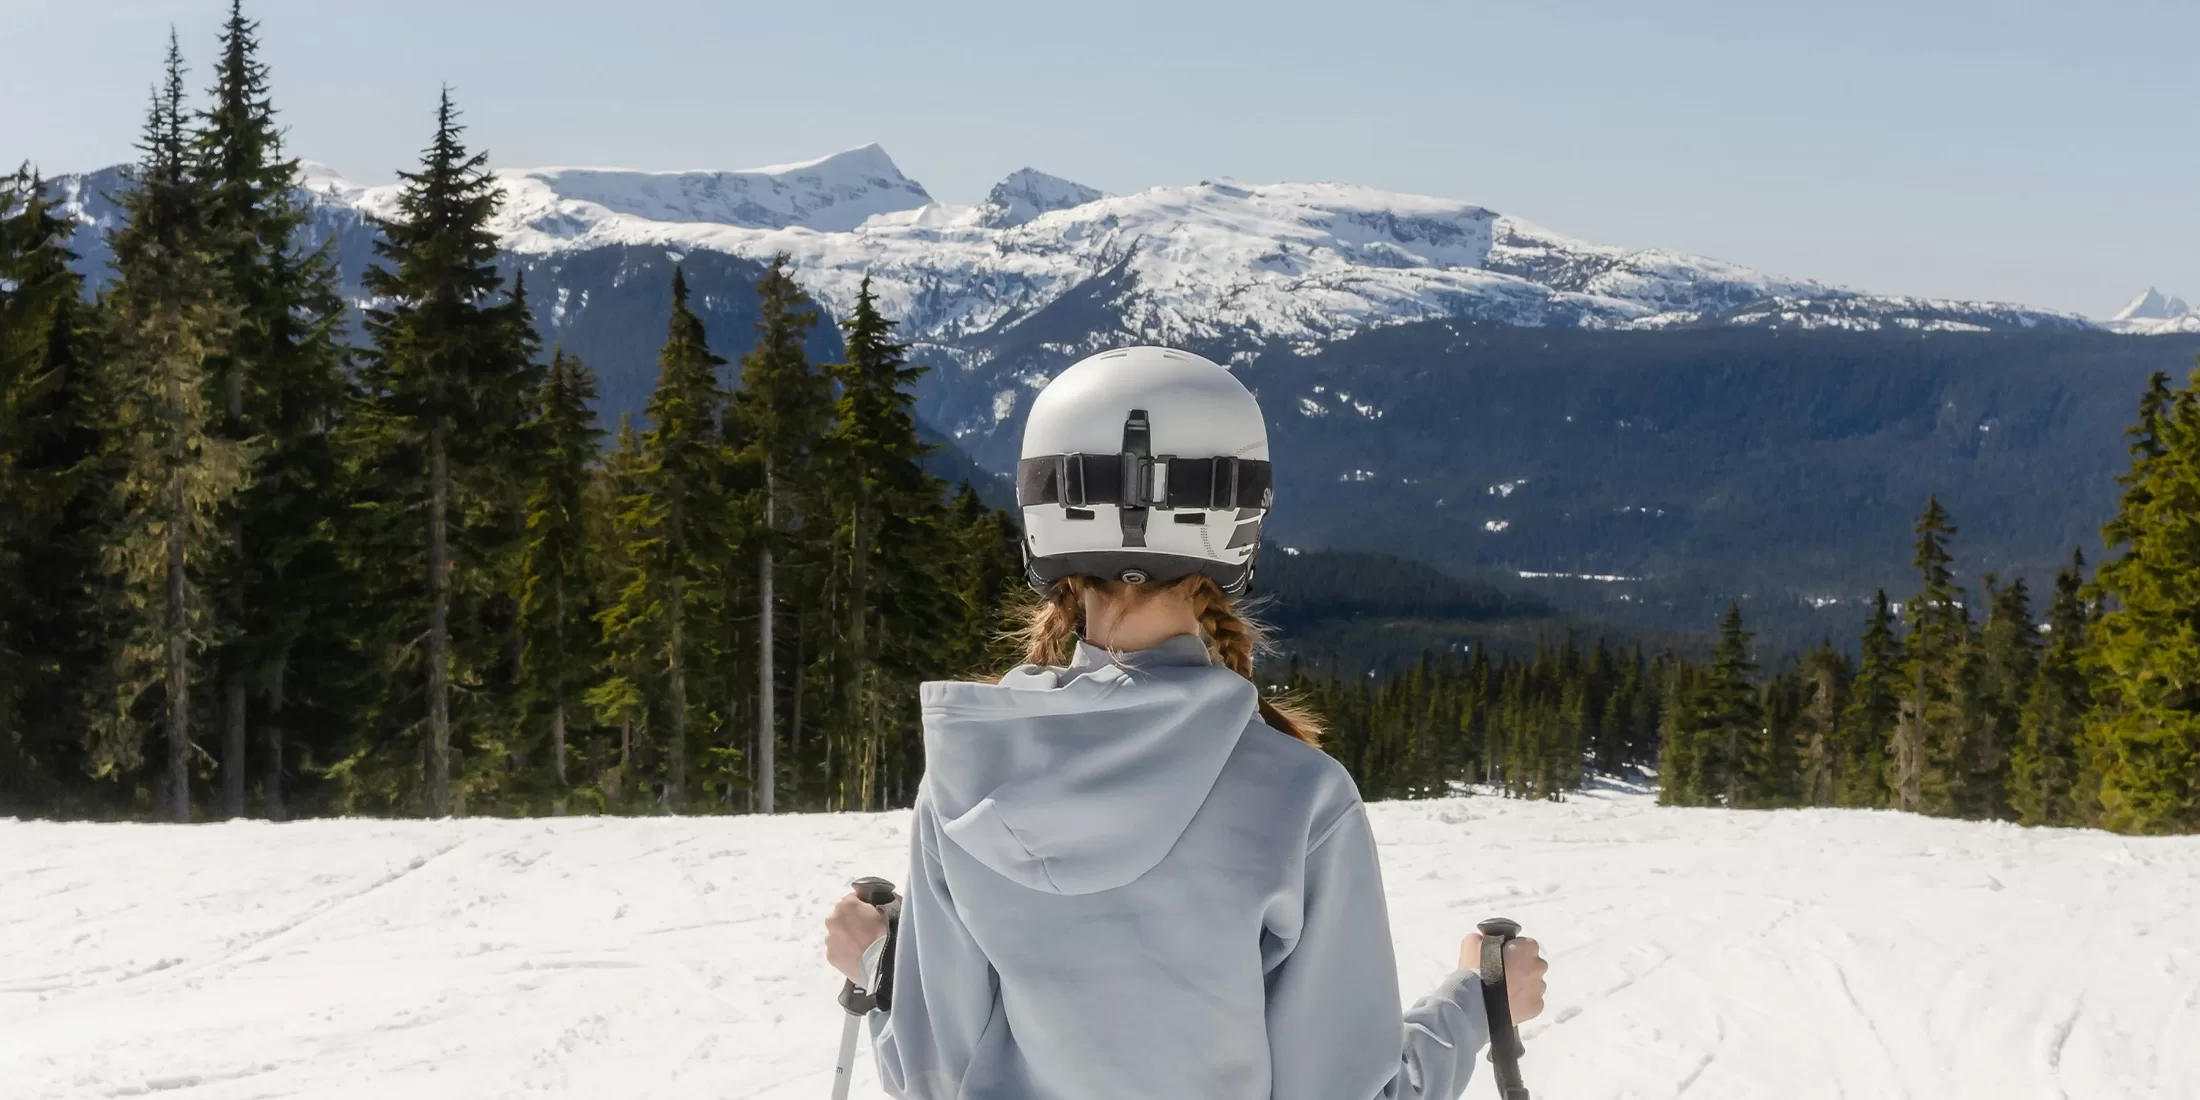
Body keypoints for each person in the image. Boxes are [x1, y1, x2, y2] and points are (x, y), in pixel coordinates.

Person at [822, 345, 1549, 1100]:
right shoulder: (1302, 796)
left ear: (1043, 513)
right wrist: (1477, 1000)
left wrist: (882, 966)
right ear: (1238, 522)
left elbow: (937, 1083)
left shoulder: (970, 778)